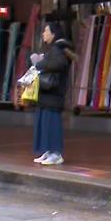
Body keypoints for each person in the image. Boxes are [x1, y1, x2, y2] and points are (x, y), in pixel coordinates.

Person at [31, 22, 74, 166]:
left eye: (46, 31)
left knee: (52, 124)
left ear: (53, 34)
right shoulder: (55, 49)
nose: (44, 33)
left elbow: (59, 64)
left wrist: (39, 63)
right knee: (45, 123)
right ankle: (48, 151)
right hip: (48, 94)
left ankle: (56, 153)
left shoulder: (58, 48)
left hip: (53, 93)